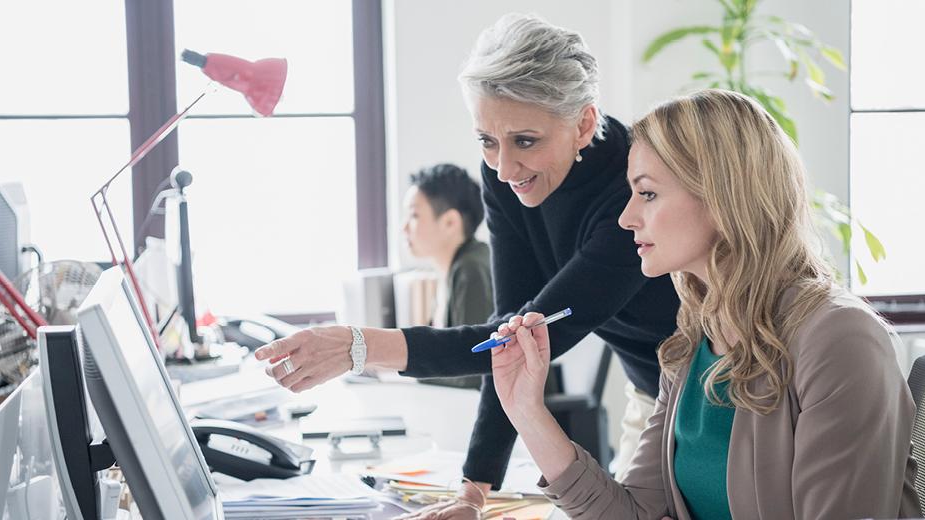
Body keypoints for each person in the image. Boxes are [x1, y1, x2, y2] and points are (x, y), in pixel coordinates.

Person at [256, 14, 680, 517]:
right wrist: (473, 493)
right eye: (486, 140)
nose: (503, 168)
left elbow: (528, 342)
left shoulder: (631, 193)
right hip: (650, 392)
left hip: (715, 392)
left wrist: (361, 347)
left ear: (584, 124)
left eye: (525, 141)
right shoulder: (507, 177)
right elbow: (509, 328)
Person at [488, 89, 921, 519]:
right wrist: (527, 411)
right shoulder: (697, 337)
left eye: (648, 194)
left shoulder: (840, 339)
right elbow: (636, 512)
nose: (626, 218)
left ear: (722, 197)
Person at [403, 163, 493, 388]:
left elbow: (473, 372)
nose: (404, 228)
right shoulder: (451, 269)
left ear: (450, 222)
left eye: (414, 215)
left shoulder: (471, 270)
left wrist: (409, 373)